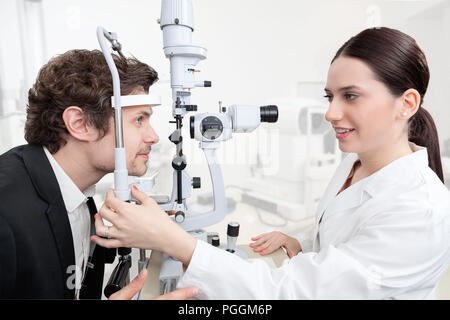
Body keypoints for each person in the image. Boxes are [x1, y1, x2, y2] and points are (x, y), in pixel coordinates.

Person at [91, 27, 450, 299]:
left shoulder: (420, 211)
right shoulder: (357, 163)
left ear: (406, 103)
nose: (331, 113)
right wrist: (304, 240)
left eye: (350, 96)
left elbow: (289, 293)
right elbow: (348, 245)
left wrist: (174, 242)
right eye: (330, 96)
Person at [0, 49, 198, 300]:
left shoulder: (78, 198)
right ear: (80, 124)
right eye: (139, 120)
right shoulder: (6, 213)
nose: (154, 137)